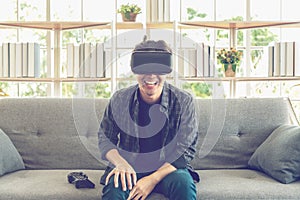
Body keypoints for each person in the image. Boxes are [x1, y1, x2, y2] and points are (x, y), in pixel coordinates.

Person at [98, 38, 199, 200]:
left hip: (169, 170)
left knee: (183, 185)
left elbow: (186, 150)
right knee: (114, 191)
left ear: (167, 70)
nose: (151, 75)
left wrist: (152, 179)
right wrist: (120, 163)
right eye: (144, 68)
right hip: (129, 167)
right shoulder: (119, 99)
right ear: (135, 69)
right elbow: (105, 139)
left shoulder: (184, 101)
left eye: (158, 68)